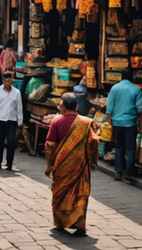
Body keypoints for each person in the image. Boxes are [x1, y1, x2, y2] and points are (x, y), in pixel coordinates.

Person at [44, 92, 99, 236]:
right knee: (80, 193)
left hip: (61, 166)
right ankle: (79, 223)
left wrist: (48, 165)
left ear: (62, 105)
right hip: (81, 165)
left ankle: (60, 222)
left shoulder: (57, 121)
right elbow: (94, 141)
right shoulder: (87, 122)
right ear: (76, 106)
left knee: (59, 193)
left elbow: (49, 145)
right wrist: (94, 161)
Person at [106, 67, 142, 181]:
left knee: (119, 146)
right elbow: (139, 110)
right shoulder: (135, 89)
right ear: (132, 77)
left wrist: (109, 120)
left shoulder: (114, 88)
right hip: (130, 122)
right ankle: (129, 172)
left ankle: (118, 170)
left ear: (121, 77)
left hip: (117, 122)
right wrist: (141, 124)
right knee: (130, 148)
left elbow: (110, 106)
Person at [0, 71, 23, 171]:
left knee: (11, 141)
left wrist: (20, 121)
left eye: (10, 81)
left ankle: (9, 163)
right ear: (3, 81)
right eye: (6, 81)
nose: (8, 83)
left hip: (11, 120)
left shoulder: (16, 93)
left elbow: (19, 108)